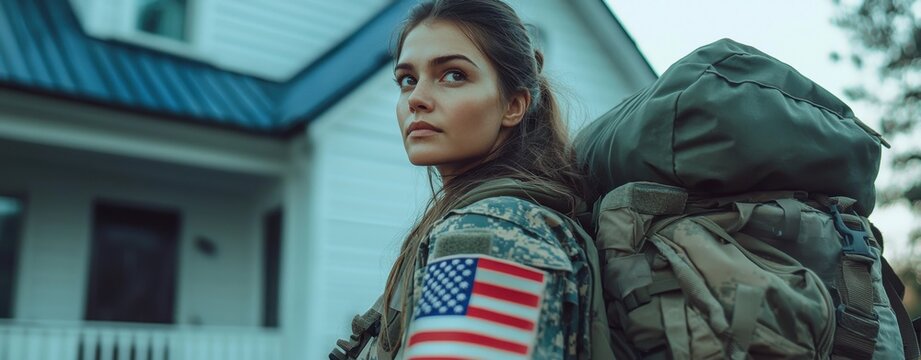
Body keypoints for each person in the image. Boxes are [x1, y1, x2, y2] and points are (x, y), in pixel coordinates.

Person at [330, 0, 597, 359]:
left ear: (513, 105)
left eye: (453, 75)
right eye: (407, 80)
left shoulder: (489, 232)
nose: (417, 99)